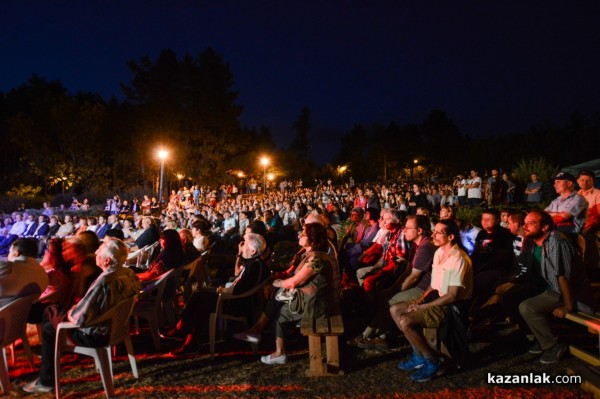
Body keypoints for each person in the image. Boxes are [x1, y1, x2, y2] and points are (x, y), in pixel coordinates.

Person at [23, 238, 141, 393]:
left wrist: (71, 310)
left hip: (94, 334)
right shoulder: (128, 273)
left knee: (49, 325)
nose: (96, 252)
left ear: (106, 260)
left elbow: (79, 318)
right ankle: (48, 357)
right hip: (116, 327)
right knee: (52, 312)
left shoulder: (105, 280)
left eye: (99, 250)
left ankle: (46, 380)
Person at [161, 233, 269, 356]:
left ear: (253, 250)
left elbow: (239, 291)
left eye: (244, 244)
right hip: (236, 300)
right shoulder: (254, 262)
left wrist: (221, 291)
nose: (241, 245)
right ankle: (187, 338)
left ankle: (183, 334)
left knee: (199, 299)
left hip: (237, 305)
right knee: (200, 298)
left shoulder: (255, 266)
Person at [395, 219, 472, 382]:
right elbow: (434, 284)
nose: (433, 235)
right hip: (437, 298)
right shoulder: (439, 252)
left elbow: (452, 295)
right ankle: (419, 355)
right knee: (394, 309)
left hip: (451, 306)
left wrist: (424, 307)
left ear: (451, 237)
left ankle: (432, 359)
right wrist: (421, 301)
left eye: (438, 232)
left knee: (405, 321)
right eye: (434, 231)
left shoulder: (458, 259)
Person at [518, 209, 596, 364]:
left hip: (568, 293)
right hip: (553, 289)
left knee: (527, 307)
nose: (525, 227)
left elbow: (563, 277)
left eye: (531, 223)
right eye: (524, 223)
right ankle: (540, 337)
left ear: (545, 227)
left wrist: (567, 306)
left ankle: (553, 344)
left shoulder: (556, 242)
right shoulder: (539, 243)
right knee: (514, 296)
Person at [260, 223, 340, 365]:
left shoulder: (318, 259)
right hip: (312, 301)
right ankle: (264, 334)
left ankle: (280, 352)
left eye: (303, 234)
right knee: (276, 304)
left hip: (316, 306)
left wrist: (276, 283)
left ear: (312, 238)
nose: (299, 235)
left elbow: (294, 282)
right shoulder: (311, 255)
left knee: (280, 316)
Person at [0, 238, 49, 307]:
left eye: (10, 252)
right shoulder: (44, 275)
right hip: (19, 314)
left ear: (16, 253)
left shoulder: (6, 267)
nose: (8, 255)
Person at [577, 170, 600, 274]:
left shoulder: (597, 194)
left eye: (588, 180)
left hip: (592, 227)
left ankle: (593, 270)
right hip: (578, 227)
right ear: (578, 181)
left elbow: (597, 215)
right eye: (582, 180)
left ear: (593, 181)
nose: (585, 182)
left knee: (590, 241)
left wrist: (587, 227)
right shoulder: (576, 195)